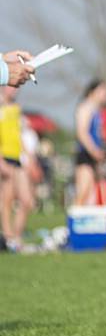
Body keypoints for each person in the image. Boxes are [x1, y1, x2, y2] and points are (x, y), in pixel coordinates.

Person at [0, 87, 35, 251]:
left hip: (17, 157)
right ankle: (8, 237)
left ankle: (16, 235)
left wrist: (29, 157)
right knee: (7, 198)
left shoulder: (16, 108)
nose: (14, 90)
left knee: (26, 199)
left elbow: (18, 134)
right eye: (11, 87)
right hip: (4, 156)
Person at [74, 79, 106, 205]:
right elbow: (82, 132)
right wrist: (94, 152)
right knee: (83, 195)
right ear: (93, 91)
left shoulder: (97, 111)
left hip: (94, 157)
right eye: (103, 90)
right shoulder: (85, 107)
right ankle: (73, 223)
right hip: (86, 155)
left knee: (91, 198)